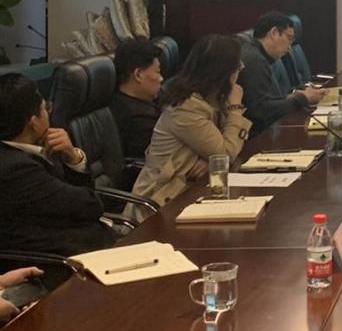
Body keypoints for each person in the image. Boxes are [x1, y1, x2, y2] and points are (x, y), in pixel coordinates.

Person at [0, 74, 114, 257]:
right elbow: (90, 206)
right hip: (60, 261)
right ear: (33, 123)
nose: (49, 114)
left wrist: (73, 157)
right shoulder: (16, 170)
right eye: (45, 108)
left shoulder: (34, 149)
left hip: (82, 243)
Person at [132, 35, 251, 207]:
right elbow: (225, 154)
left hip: (194, 189)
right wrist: (235, 110)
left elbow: (226, 150)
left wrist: (210, 160)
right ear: (223, 72)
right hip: (163, 201)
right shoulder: (186, 106)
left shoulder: (212, 98)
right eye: (238, 66)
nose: (240, 71)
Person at [238, 11, 324, 136]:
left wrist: (294, 97)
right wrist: (302, 98)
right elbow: (260, 111)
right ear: (274, 33)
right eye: (289, 38)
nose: (289, 48)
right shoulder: (254, 60)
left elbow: (264, 100)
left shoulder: (255, 54)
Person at [110, 37, 163, 168]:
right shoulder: (133, 117)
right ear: (138, 74)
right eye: (157, 72)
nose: (161, 79)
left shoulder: (141, 102)